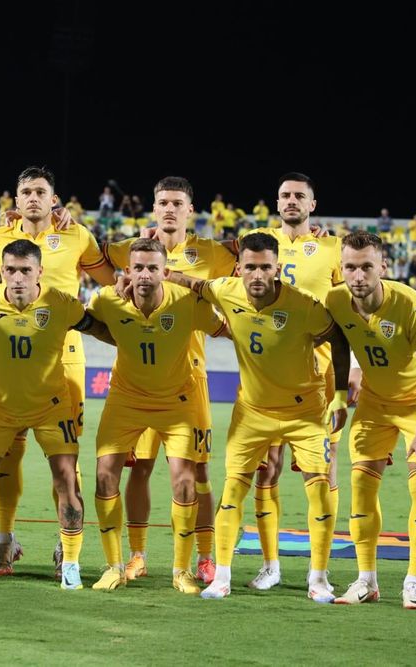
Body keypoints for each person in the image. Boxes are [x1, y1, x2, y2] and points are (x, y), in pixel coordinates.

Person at [0, 166, 115, 577]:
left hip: (66, 356)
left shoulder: (78, 235)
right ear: (14, 201)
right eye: (26, 192)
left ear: (55, 199)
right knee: (6, 457)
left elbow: (113, 281)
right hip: (13, 358)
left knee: (67, 463)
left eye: (41, 191)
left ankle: (64, 546)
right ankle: (4, 542)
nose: (33, 198)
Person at [187, 232, 350, 601]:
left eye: (265, 267)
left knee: (320, 490)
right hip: (252, 413)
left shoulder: (304, 305)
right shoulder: (225, 290)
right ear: (239, 268)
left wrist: (340, 394)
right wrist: (151, 274)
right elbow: (192, 282)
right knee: (234, 489)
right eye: (250, 267)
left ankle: (318, 577)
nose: (257, 274)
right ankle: (223, 577)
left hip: (305, 412)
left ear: (277, 269)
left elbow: (339, 339)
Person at [102, 176, 236, 585]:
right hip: (137, 380)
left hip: (189, 379)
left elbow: (245, 273)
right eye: (163, 202)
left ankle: (204, 556)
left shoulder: (210, 252)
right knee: (138, 468)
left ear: (190, 210)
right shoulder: (129, 249)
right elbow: (92, 259)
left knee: (197, 473)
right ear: (153, 207)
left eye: (178, 203)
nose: (170, 209)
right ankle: (138, 556)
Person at [329, 230, 416, 610]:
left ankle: (414, 581)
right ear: (342, 268)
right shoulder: (335, 301)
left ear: (383, 266)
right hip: (376, 403)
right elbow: (339, 342)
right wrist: (341, 391)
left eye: (366, 266)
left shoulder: (410, 305)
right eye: (350, 267)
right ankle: (366, 581)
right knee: (361, 486)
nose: (358, 275)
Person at [238, 172, 345, 591]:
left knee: (321, 472)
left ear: (312, 204)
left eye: (300, 195)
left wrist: (351, 369)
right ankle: (270, 565)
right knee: (267, 471)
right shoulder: (258, 241)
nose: (291, 201)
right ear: (276, 202)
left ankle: (319, 571)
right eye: (285, 195)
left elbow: (345, 310)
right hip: (266, 375)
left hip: (319, 377)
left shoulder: (333, 248)